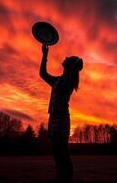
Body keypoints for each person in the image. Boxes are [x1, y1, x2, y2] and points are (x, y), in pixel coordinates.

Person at [39, 44, 83, 183]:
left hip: (61, 119)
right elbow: (42, 73)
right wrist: (45, 55)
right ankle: (62, 177)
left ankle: (67, 178)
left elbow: (77, 64)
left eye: (68, 58)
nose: (65, 57)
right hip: (53, 117)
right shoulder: (57, 80)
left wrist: (76, 63)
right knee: (57, 152)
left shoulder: (69, 81)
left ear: (70, 66)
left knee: (62, 152)